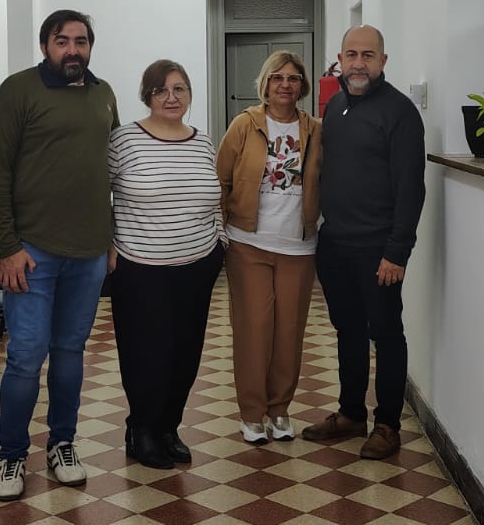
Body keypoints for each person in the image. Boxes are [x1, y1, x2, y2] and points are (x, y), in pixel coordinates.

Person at [0, 9, 119, 500]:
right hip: (31, 254)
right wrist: (9, 248)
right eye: (62, 41)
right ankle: (11, 457)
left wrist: (110, 238)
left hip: (89, 252)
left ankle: (63, 444)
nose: (73, 50)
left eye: (81, 41)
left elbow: (109, 169)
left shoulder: (103, 95)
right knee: (25, 357)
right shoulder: (17, 91)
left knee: (70, 352)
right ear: (45, 46)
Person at [301, 25, 425, 460]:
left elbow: (411, 189)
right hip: (336, 243)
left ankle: (387, 425)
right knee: (348, 330)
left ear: (382, 61)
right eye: (351, 55)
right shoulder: (335, 107)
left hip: (379, 250)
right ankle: (351, 413)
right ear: (339, 60)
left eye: (368, 55)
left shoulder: (400, 112)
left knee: (386, 334)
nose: (358, 64)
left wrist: (397, 252)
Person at [105, 59, 226, 469]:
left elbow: (215, 197)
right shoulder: (124, 140)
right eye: (161, 90)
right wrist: (107, 244)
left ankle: (169, 427)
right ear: (147, 96)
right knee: (147, 354)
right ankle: (142, 429)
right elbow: (97, 193)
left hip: (197, 266)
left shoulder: (202, 142)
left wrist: (220, 244)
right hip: (141, 269)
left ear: (190, 93)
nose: (171, 98)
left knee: (186, 353)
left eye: (179, 89)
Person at [216, 51, 323, 445]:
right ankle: (251, 413)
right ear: (265, 83)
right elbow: (221, 179)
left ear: (302, 86)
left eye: (293, 78)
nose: (285, 85)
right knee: (254, 329)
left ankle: (279, 410)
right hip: (248, 244)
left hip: (298, 246)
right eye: (277, 77)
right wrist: (220, 230)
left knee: (289, 331)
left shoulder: (315, 130)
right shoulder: (244, 125)